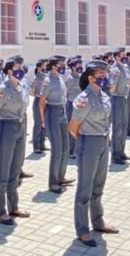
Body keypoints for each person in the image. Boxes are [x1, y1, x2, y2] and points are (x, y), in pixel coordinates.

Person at [68, 60, 119, 247]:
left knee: (98, 186)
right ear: (91, 78)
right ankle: (82, 230)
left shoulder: (103, 96)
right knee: (84, 189)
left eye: (105, 75)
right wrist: (84, 141)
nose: (104, 78)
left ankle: (98, 222)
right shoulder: (83, 99)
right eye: (101, 76)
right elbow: (73, 127)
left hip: (104, 142)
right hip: (88, 143)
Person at [0, 56, 31, 225]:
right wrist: (0, 125)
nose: (22, 69)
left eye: (22, 66)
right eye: (18, 67)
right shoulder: (3, 89)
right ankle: (1, 211)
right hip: (7, 127)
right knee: (4, 171)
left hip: (21, 126)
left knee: (16, 168)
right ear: (10, 70)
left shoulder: (22, 85)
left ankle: (14, 206)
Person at [39, 56, 74, 194]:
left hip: (62, 112)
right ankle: (53, 183)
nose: (63, 67)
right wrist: (43, 120)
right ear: (53, 66)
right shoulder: (47, 81)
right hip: (52, 112)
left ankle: (61, 176)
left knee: (65, 148)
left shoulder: (60, 78)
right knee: (57, 150)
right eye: (60, 65)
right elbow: (42, 102)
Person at [109, 48, 130, 165]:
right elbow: (111, 87)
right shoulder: (115, 70)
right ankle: (115, 155)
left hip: (124, 98)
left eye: (125, 55)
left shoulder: (125, 68)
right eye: (123, 55)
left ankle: (121, 151)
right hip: (117, 99)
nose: (125, 57)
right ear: (117, 57)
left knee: (123, 127)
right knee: (117, 128)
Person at [64, 57, 83, 159]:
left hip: (80, 105)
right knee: (72, 128)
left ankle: (77, 149)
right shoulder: (69, 79)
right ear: (72, 67)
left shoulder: (80, 77)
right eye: (78, 65)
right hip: (71, 105)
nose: (80, 67)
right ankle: (70, 151)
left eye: (80, 65)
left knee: (79, 128)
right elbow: (65, 93)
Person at [30, 59, 48, 154]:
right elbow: (31, 92)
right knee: (38, 124)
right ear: (39, 67)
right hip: (38, 101)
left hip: (45, 102)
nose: (45, 67)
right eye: (44, 65)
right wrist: (38, 94)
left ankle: (42, 144)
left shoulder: (46, 77)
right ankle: (36, 146)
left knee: (44, 124)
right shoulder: (36, 78)